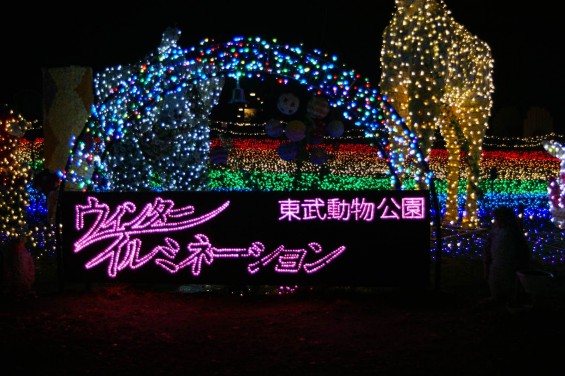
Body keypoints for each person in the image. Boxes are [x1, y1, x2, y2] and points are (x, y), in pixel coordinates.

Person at [483, 206, 531, 307]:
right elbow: (489, 244)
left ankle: (510, 301)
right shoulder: (496, 231)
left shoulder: (513, 232)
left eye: (498, 218)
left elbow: (523, 249)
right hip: (496, 261)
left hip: (509, 263)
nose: (496, 221)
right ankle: (496, 297)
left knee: (509, 282)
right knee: (494, 280)